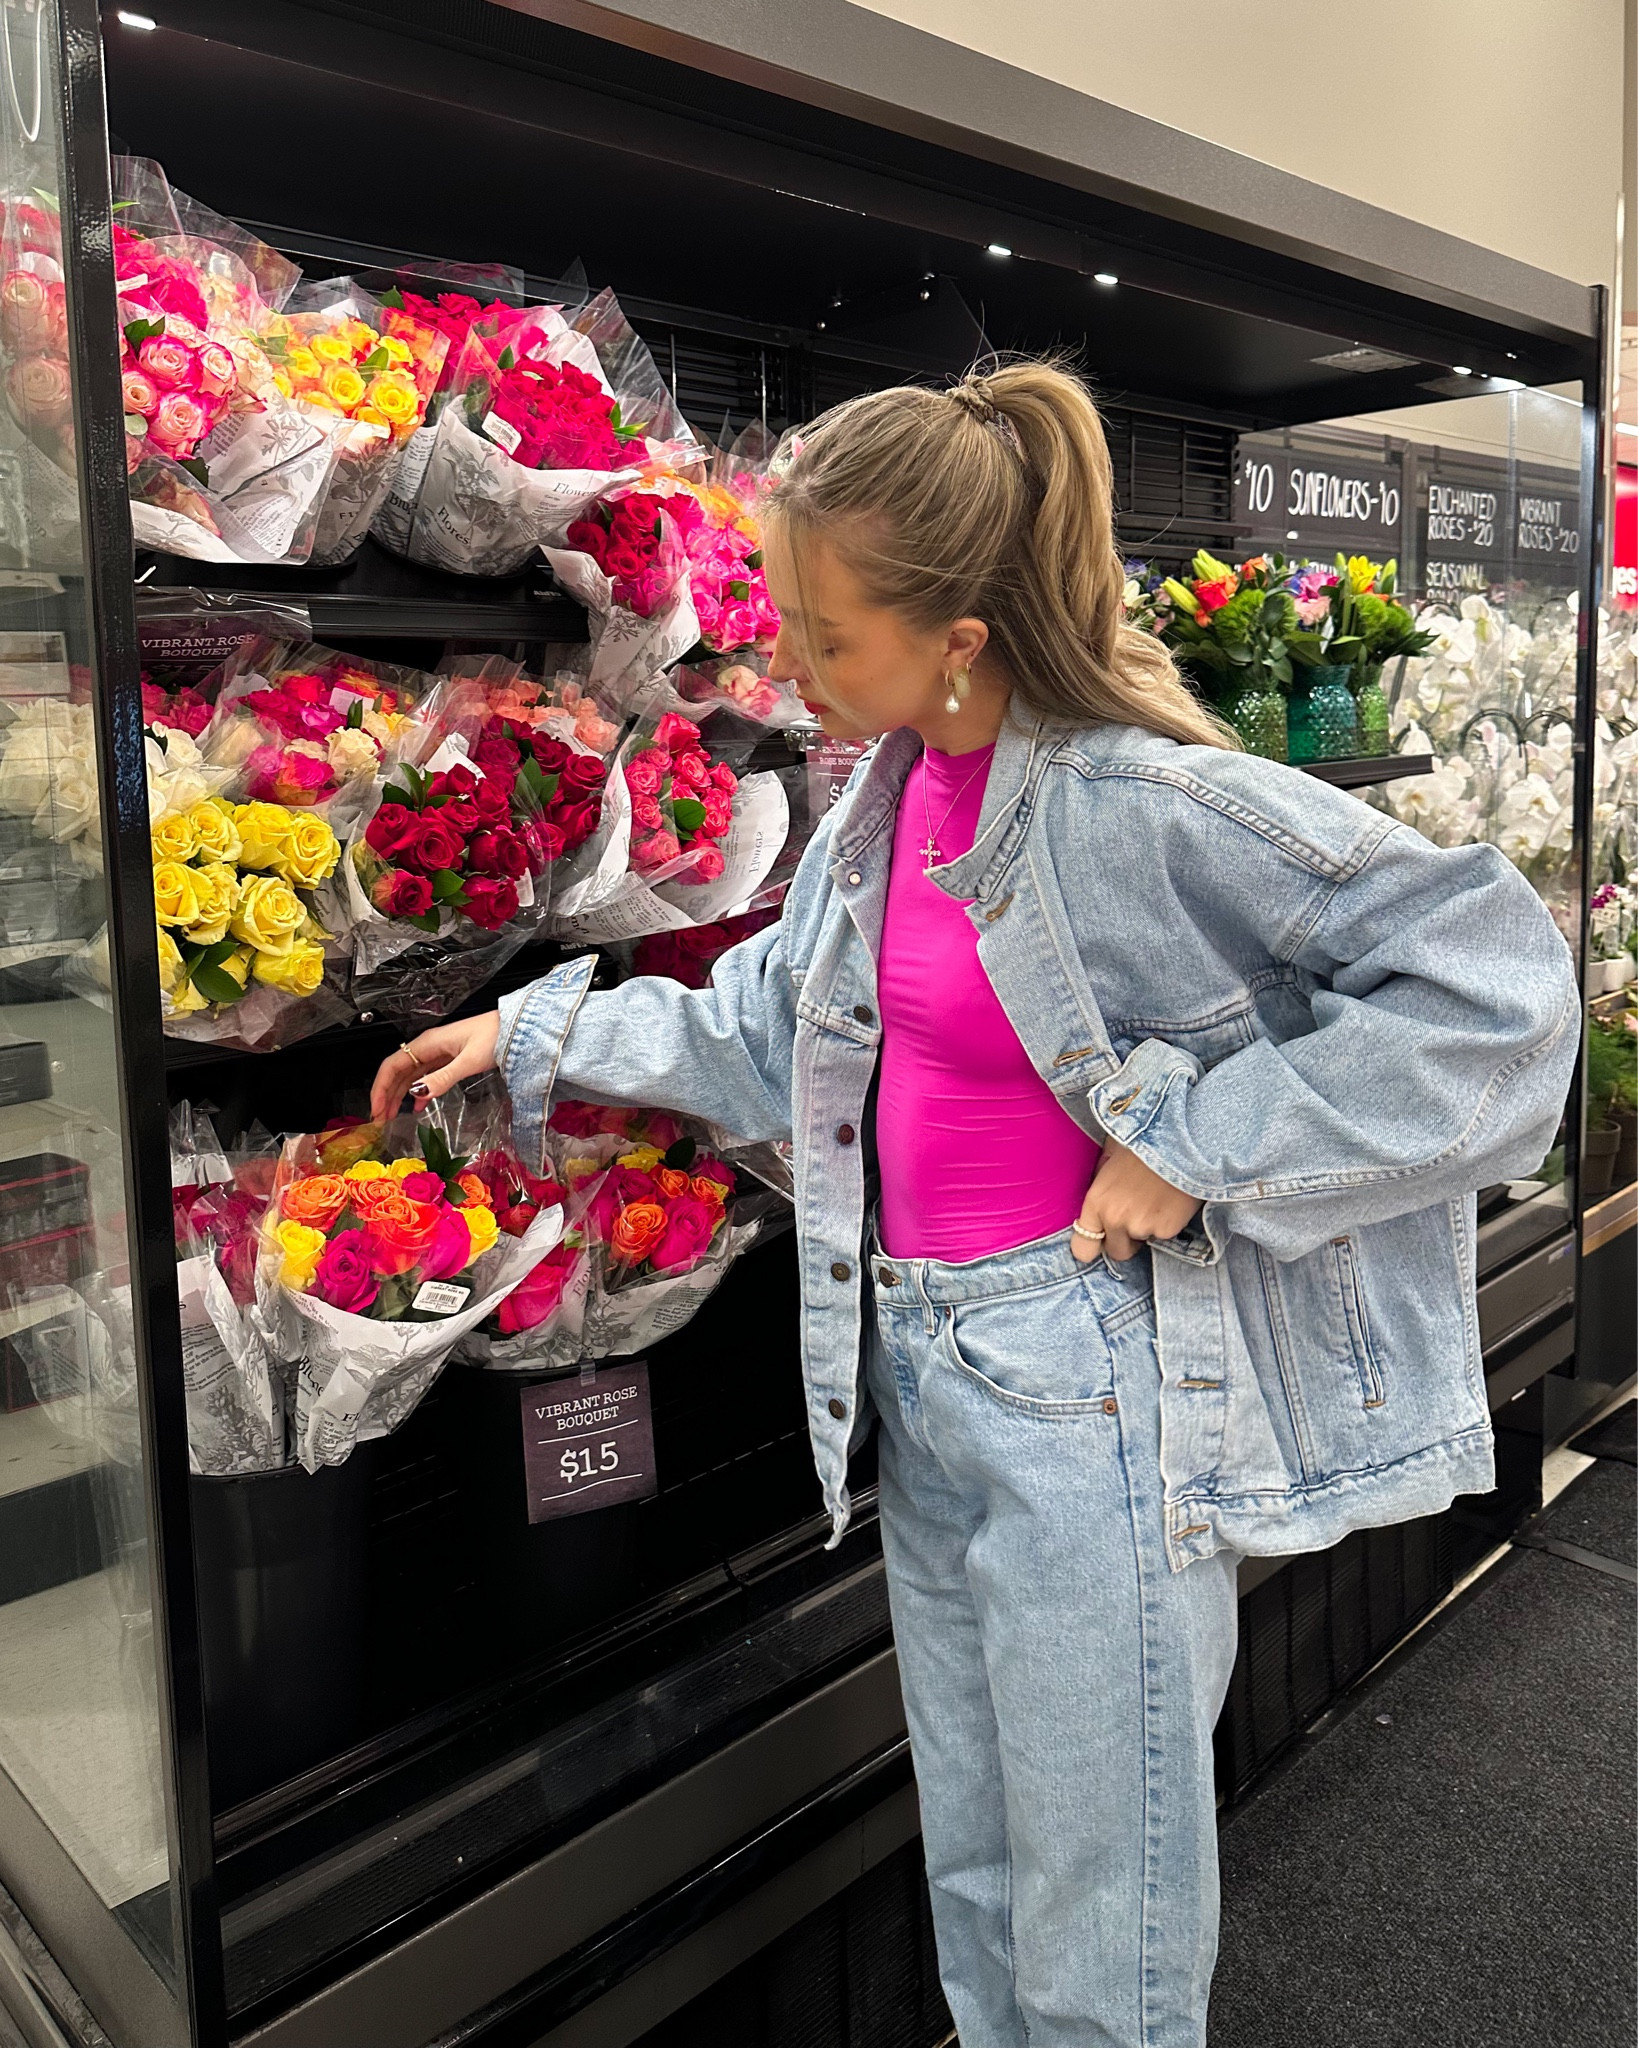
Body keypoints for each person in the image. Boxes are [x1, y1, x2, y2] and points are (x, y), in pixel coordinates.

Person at [372, 360, 1579, 2047]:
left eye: (829, 632)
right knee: (987, 1875)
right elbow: (773, 1025)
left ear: (962, 630)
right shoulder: (888, 797)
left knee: (1104, 1917)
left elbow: (1501, 991)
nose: (786, 664)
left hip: (1089, 1389)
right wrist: (534, 1026)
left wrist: (1194, 1143)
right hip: (933, 1381)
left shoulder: (1134, 801)